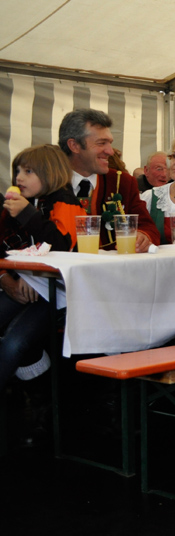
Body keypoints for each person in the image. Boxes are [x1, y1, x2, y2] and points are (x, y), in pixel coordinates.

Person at [1, 145, 86, 390]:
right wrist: (12, 276)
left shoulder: (65, 201)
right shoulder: (20, 203)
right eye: (17, 171)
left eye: (28, 171)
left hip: (57, 292)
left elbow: (60, 245)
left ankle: (39, 392)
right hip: (23, 285)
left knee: (15, 343)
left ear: (50, 172)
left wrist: (27, 214)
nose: (19, 178)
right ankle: (34, 386)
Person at [58, 109, 159, 251]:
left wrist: (143, 236)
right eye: (101, 143)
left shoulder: (122, 182)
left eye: (110, 143)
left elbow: (149, 228)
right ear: (74, 146)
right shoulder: (46, 184)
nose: (110, 151)